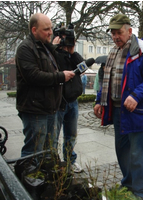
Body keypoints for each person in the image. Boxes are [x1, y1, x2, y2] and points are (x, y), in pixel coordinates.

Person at [93, 14, 143, 200]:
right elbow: (106, 80)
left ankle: (142, 193)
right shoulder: (114, 52)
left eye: (119, 32)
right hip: (118, 111)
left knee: (138, 154)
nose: (116, 36)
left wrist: (136, 95)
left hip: (137, 111)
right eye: (113, 33)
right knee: (122, 151)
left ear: (129, 31)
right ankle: (128, 184)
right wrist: (100, 99)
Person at [15, 13, 75, 157]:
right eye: (46, 29)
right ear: (34, 30)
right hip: (35, 109)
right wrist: (61, 76)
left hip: (49, 108)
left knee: (48, 150)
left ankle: (45, 177)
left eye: (51, 28)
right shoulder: (25, 48)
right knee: (34, 151)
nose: (50, 32)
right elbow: (33, 76)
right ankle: (28, 178)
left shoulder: (46, 47)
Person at [52, 31, 84, 173]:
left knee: (71, 135)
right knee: (53, 136)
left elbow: (83, 66)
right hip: (58, 102)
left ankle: (70, 160)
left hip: (73, 101)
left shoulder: (72, 56)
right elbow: (48, 66)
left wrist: (72, 52)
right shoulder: (52, 54)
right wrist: (53, 47)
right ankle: (52, 163)